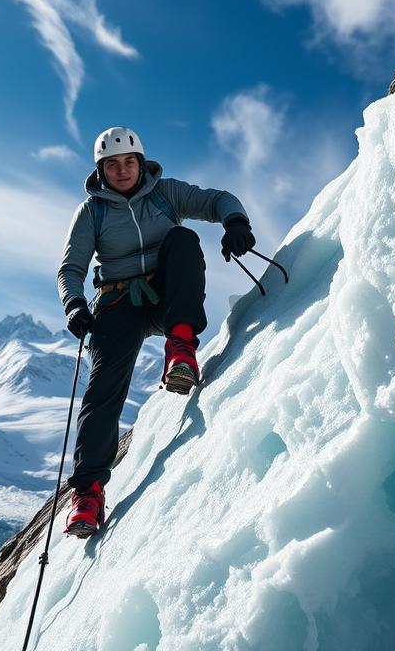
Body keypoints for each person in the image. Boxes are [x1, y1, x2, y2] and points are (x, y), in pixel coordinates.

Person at [56, 126, 254, 538]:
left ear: (141, 163)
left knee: (183, 238)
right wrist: (74, 303)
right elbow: (71, 270)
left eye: (129, 162)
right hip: (117, 301)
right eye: (113, 164)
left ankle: (181, 348)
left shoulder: (166, 192)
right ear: (101, 170)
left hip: (168, 294)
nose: (123, 170)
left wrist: (234, 221)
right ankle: (89, 493)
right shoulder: (91, 212)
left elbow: (218, 200)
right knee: (102, 388)